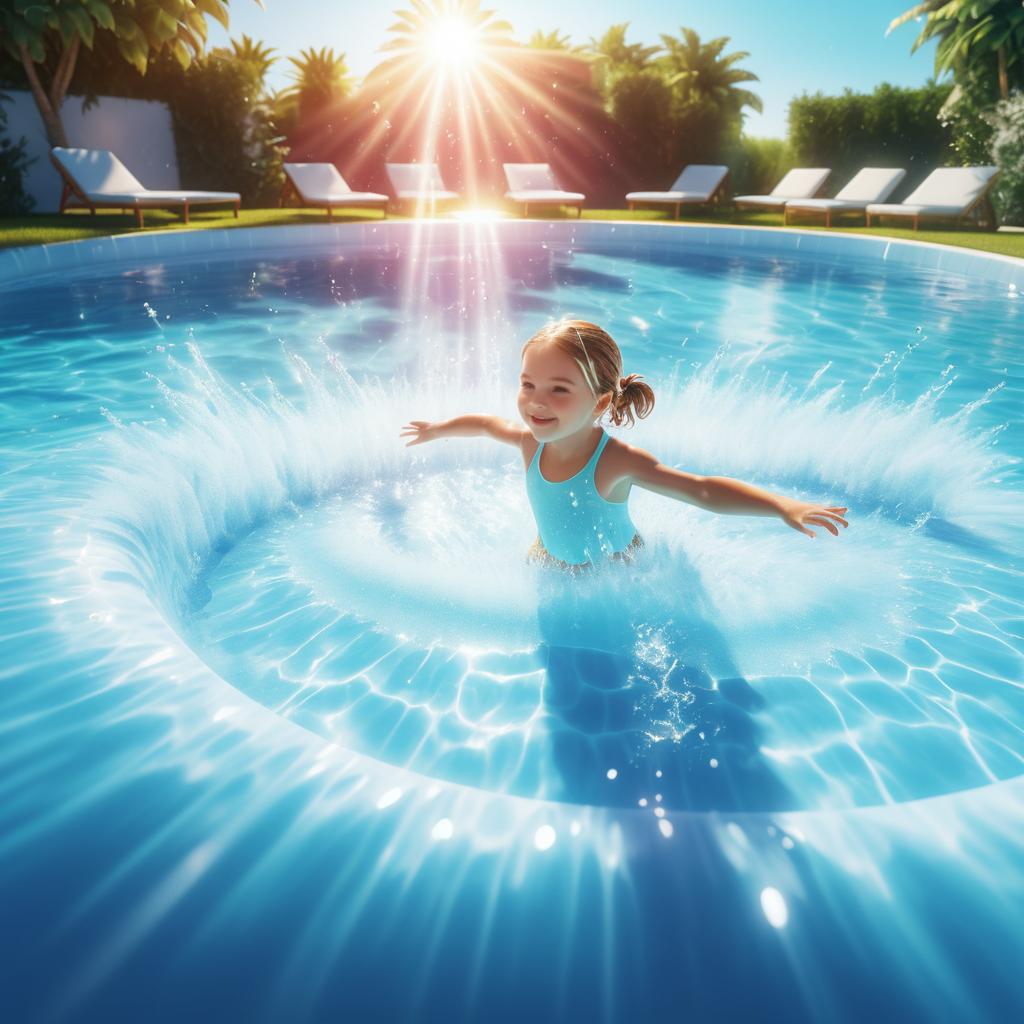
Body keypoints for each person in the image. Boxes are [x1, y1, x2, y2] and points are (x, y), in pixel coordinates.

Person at [401, 318, 848, 572]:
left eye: (559, 389)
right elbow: (484, 423)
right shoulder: (528, 443)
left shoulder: (614, 462)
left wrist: (780, 505)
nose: (536, 401)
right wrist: (438, 429)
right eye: (528, 384)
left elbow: (701, 489)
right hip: (551, 560)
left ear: (599, 402)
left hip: (613, 571)